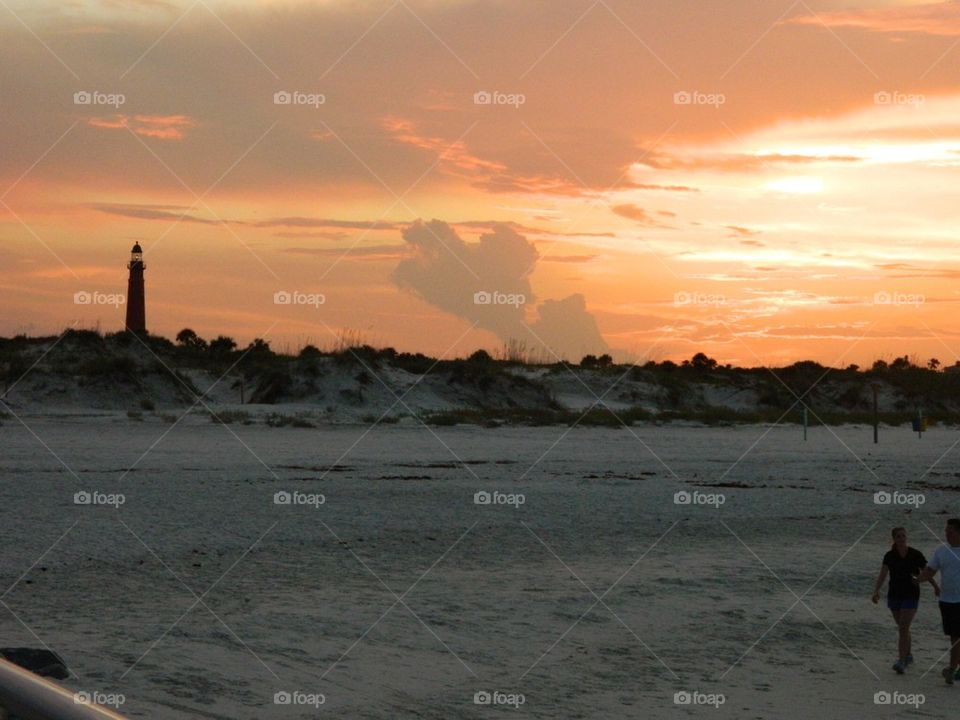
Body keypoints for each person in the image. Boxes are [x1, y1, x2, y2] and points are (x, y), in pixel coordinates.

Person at [872, 527, 939, 673]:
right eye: (898, 536)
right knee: (903, 628)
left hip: (911, 594)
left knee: (903, 627)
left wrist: (935, 586)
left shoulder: (915, 554)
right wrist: (876, 591)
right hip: (894, 594)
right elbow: (883, 574)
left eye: (903, 536)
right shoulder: (889, 556)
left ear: (906, 537)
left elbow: (927, 572)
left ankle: (901, 661)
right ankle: (908, 655)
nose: (901, 539)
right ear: (894, 539)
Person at [917, 518, 960, 684]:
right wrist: (916, 580)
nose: (946, 534)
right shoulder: (941, 551)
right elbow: (930, 570)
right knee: (953, 635)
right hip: (946, 600)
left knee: (956, 636)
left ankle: (951, 669)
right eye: (946, 531)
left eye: (950, 531)